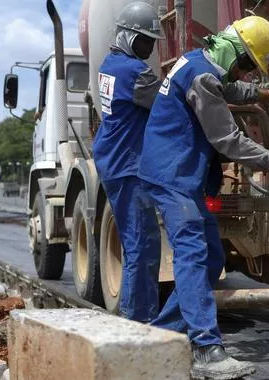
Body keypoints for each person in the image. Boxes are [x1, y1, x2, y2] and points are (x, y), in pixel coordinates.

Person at [137, 16, 269, 380]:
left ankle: (159, 337)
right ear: (235, 50)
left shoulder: (199, 61)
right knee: (193, 254)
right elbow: (228, 140)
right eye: (245, 65)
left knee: (211, 258)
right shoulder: (202, 76)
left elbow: (230, 89)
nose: (243, 74)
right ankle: (207, 349)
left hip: (182, 175)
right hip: (172, 176)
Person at [92, 2, 163, 323]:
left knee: (139, 245)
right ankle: (139, 323)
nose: (149, 49)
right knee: (141, 248)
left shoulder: (109, 63)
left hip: (113, 160)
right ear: (127, 36)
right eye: (145, 41)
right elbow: (168, 102)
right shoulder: (134, 72)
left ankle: (140, 317)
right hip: (128, 166)